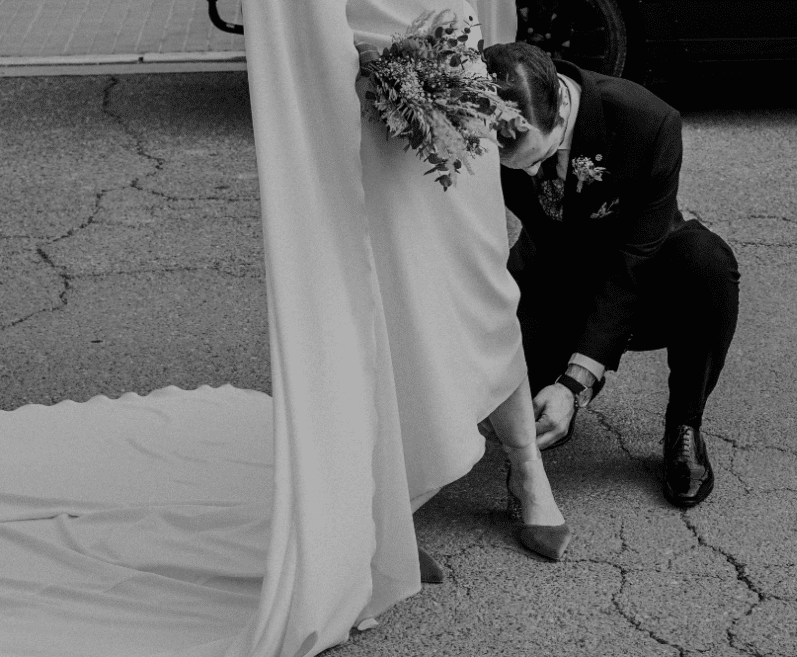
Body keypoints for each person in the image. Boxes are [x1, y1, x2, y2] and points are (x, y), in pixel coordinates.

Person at [0, 3, 566, 657]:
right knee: (389, 310)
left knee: (483, 287)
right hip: (373, 88)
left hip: (456, 69)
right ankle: (379, 530)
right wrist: (342, 77)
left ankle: (528, 473)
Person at [482, 42, 741, 509]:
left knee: (708, 264)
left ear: (561, 110)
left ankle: (684, 425)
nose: (533, 174)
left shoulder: (649, 122)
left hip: (643, 276)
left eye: (539, 158)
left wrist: (576, 383)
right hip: (555, 274)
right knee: (517, 401)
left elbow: (634, 262)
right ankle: (549, 397)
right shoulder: (473, 120)